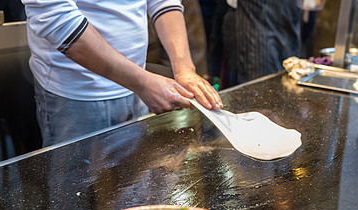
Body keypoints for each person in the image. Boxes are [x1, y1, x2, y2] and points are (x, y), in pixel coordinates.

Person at [22, 0, 222, 147]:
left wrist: (184, 68)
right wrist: (142, 82)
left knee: (133, 193)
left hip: (138, 90)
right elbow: (56, 17)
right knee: (80, 198)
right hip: (77, 94)